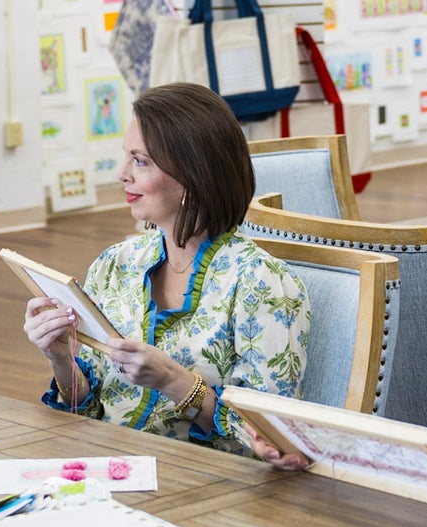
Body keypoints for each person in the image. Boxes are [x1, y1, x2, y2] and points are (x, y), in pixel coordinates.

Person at [23, 82, 310, 457]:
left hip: (205, 489)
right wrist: (60, 356)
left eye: (140, 161)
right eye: (125, 156)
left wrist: (174, 380)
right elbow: (90, 408)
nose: (121, 173)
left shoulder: (264, 284)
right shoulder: (115, 264)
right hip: (110, 469)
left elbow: (272, 441)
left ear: (193, 176)